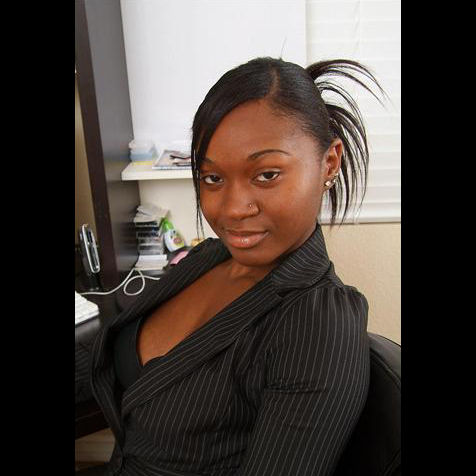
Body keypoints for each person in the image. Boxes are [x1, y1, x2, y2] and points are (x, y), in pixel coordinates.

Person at [85, 56, 385, 475]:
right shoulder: (208, 258)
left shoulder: (319, 323)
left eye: (266, 175)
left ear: (329, 163)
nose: (231, 209)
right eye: (213, 179)